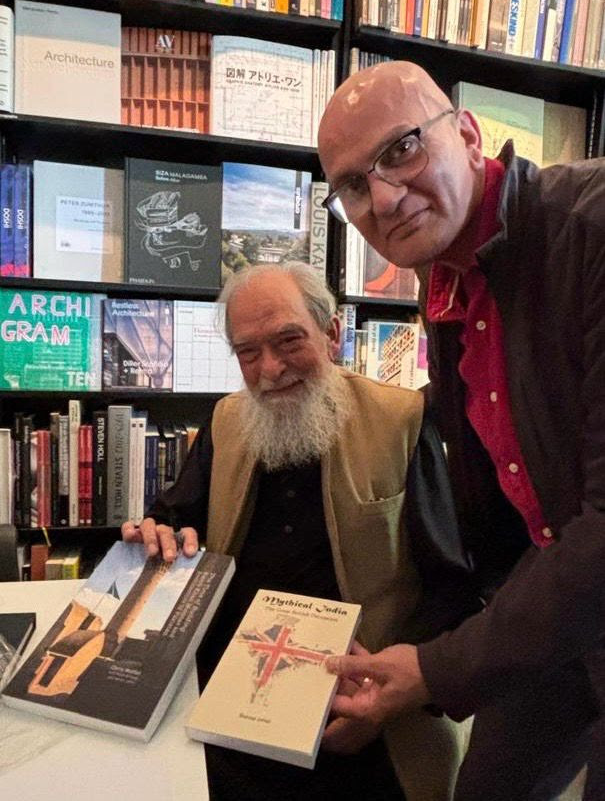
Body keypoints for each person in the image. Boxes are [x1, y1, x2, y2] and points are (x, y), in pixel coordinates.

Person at [317, 60, 605, 801]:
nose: (381, 196)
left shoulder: (591, 232)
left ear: (469, 136)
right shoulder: (443, 275)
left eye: (401, 148)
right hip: (557, 602)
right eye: (352, 184)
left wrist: (433, 670)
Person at [122, 261, 478, 801]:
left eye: (290, 341)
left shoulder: (402, 420)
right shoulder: (225, 420)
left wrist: (385, 696)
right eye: (248, 352)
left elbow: (451, 588)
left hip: (358, 708)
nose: (270, 369)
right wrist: (157, 532)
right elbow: (179, 515)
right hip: (232, 700)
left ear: (331, 333)